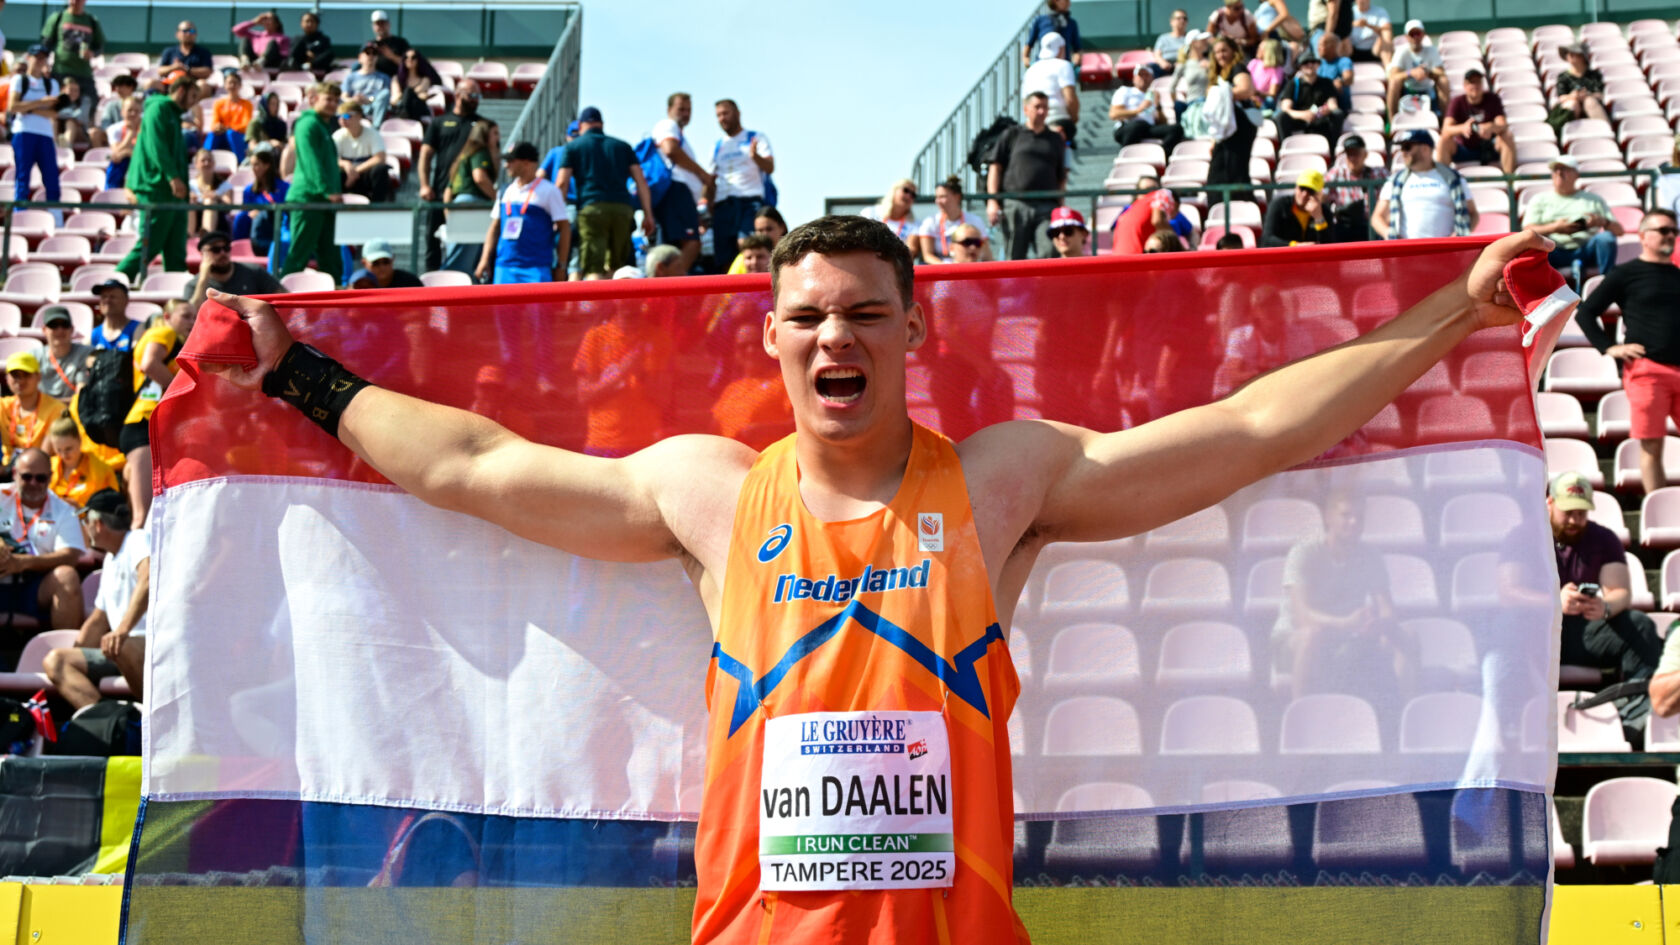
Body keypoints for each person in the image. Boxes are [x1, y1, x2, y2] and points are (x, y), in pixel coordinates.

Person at [204, 216, 1547, 945]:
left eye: (862, 310)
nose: (833, 334)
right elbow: (477, 466)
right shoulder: (712, 494)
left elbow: (1255, 431)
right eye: (807, 314)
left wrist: (1455, 312)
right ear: (772, 336)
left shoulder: (1004, 482)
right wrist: (294, 376)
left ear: (915, 328)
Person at [1545, 472, 1662, 732]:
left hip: (1586, 630)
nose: (1575, 520)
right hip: (1539, 634)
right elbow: (1509, 591)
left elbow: (1620, 591)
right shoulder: (1527, 535)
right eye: (1569, 512)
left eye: (1582, 513)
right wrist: (1553, 602)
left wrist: (1605, 607)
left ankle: (1637, 717)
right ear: (1550, 503)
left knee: (1640, 626)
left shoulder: (1603, 538)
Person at [1273, 493, 1413, 708]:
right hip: (1293, 639)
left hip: (1348, 637)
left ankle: (1404, 715)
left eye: (1359, 517)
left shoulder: (1370, 555)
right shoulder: (1304, 553)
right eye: (1346, 515)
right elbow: (1301, 616)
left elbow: (1388, 611)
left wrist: (1377, 624)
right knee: (1312, 635)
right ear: (1328, 518)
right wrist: (1346, 623)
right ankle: (1299, 714)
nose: (1354, 522)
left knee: (1408, 637)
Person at [1574, 210, 1680, 493]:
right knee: (1652, 445)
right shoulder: (1626, 274)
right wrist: (1608, 347)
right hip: (1648, 371)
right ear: (1643, 236)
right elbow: (1585, 312)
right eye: (1663, 230)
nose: (1670, 235)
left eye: (1674, 231)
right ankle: (1660, 506)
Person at [42, 490, 147, 707]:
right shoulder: (109, 559)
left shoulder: (138, 538)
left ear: (97, 523)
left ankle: (161, 720)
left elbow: (148, 577)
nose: (85, 528)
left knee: (123, 645)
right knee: (57, 661)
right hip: (120, 650)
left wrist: (121, 631)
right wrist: (77, 652)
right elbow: (99, 619)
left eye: (85, 520)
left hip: (150, 646)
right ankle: (108, 722)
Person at [554, 106, 656, 279]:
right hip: (622, 210)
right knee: (618, 268)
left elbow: (562, 183)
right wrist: (648, 215)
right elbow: (641, 182)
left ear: (581, 125)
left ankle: (596, 306)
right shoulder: (622, 146)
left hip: (592, 209)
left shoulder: (573, 147)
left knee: (593, 268)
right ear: (601, 124)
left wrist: (557, 216)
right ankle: (616, 305)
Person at [119, 299, 194, 529]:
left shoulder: (175, 342)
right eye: (185, 316)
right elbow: (149, 363)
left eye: (194, 317)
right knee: (142, 518)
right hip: (143, 425)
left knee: (151, 516)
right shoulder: (164, 332)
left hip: (152, 427)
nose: (191, 322)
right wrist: (180, 395)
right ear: (168, 316)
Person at [115, 72, 196, 283]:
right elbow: (156, 147)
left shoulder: (171, 113)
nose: (194, 101)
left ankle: (176, 297)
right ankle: (112, 286)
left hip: (173, 193)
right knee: (148, 246)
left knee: (176, 252)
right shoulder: (158, 108)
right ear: (181, 90)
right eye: (193, 95)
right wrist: (173, 177)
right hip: (157, 189)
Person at [0, 447, 84, 635]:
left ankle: (66, 658)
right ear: (14, 473)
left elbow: (71, 555)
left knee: (67, 576)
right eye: (26, 476)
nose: (33, 483)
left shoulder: (64, 510)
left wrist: (21, 563)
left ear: (51, 477)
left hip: (34, 586)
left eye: (40, 478)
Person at [476, 141, 572, 285]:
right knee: (502, 308)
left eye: (511, 160)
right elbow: (494, 227)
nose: (506, 165)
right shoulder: (505, 190)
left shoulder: (549, 191)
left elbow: (564, 228)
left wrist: (561, 265)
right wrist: (484, 259)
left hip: (536, 268)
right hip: (504, 267)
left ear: (527, 162)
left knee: (539, 308)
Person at [986, 92, 1065, 261]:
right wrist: (992, 201)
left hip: (1047, 204)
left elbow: (1062, 175)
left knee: (1050, 253)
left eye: (1045, 107)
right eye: (1037, 107)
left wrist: (1061, 204)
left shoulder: (1055, 139)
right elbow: (995, 168)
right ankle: (1013, 289)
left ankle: (1046, 288)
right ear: (1026, 109)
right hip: (1015, 203)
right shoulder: (1012, 134)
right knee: (1014, 257)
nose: (1042, 111)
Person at [1521, 155, 1622, 282]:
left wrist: (1602, 221)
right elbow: (1528, 230)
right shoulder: (1539, 199)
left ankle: (1607, 284)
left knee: (1606, 238)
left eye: (1564, 169)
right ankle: (1537, 292)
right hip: (1553, 250)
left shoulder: (1594, 199)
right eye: (1556, 170)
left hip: (1586, 249)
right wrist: (1555, 228)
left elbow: (1619, 231)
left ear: (1576, 174)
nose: (1559, 173)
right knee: (1533, 245)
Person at [279, 83, 343, 283]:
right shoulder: (308, 124)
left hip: (323, 200)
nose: (333, 104)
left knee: (331, 257)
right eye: (328, 99)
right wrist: (327, 190)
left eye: (336, 100)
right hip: (308, 199)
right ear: (314, 99)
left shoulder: (322, 126)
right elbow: (310, 161)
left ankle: (336, 302)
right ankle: (280, 299)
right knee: (299, 254)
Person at [418, 78, 482, 270]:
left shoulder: (482, 124)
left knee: (468, 243)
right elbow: (425, 155)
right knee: (432, 243)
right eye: (471, 95)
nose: (475, 100)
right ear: (457, 95)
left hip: (470, 195)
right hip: (439, 193)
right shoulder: (439, 122)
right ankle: (430, 288)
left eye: (478, 96)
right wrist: (424, 185)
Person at [706, 99, 775, 271]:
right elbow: (710, 179)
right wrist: (705, 204)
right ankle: (731, 296)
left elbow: (770, 167)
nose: (722, 118)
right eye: (718, 115)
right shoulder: (717, 145)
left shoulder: (755, 137)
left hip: (748, 201)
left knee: (747, 246)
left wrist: (755, 157)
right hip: (723, 204)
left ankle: (754, 291)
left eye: (726, 113)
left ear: (737, 113)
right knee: (724, 255)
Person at [1371, 128, 1476, 239]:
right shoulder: (1394, 181)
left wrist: (1460, 235)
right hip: (1408, 252)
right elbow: (1377, 217)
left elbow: (1473, 214)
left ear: (1425, 149)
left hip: (1445, 251)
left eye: (1407, 147)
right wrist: (1389, 234)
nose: (1402, 152)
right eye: (1402, 148)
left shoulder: (1454, 179)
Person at [651, 92, 712, 275]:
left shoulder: (677, 132)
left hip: (678, 196)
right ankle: (670, 289)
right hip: (676, 193)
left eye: (688, 110)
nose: (685, 113)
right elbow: (670, 149)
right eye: (681, 109)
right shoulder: (667, 125)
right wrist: (703, 174)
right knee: (692, 243)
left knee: (671, 249)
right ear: (669, 109)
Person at [7, 46, 63, 213]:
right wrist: (41, 102)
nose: (40, 60)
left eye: (43, 57)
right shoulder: (19, 80)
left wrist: (29, 109)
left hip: (44, 134)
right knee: (23, 177)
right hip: (23, 132)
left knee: (51, 178)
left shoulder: (51, 83)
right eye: (37, 56)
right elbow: (13, 106)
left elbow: (54, 112)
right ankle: (20, 215)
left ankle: (55, 216)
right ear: (29, 58)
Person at [1205, 37, 1260, 204]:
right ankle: (1219, 212)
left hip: (1240, 126)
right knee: (1218, 173)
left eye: (1224, 50)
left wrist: (1219, 94)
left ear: (1233, 52)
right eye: (1216, 52)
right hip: (1225, 131)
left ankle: (1244, 211)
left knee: (1236, 172)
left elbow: (1246, 89)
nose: (1220, 55)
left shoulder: (1237, 68)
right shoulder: (1218, 75)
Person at [440, 119, 498, 274]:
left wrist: (449, 214)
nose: (498, 138)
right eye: (495, 133)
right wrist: (497, 198)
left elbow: (448, 191)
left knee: (457, 254)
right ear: (485, 134)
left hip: (457, 206)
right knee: (462, 260)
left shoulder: (463, 155)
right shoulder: (480, 152)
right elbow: (479, 177)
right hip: (472, 206)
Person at [1439, 69, 1515, 176]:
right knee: (1444, 140)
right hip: (1464, 148)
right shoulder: (1457, 102)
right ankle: (1444, 181)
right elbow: (1446, 129)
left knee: (1507, 136)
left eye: (1478, 82)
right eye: (1471, 82)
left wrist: (1490, 127)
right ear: (1465, 86)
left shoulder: (1493, 99)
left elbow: (1502, 124)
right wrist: (1463, 128)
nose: (1475, 85)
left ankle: (1509, 179)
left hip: (1488, 147)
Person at [184, 230, 284, 311]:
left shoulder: (253, 271)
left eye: (226, 248)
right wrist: (203, 279)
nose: (223, 253)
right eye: (215, 250)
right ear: (202, 254)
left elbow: (282, 297)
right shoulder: (194, 285)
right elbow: (191, 315)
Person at [1, 352, 68, 465]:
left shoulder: (56, 409)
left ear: (38, 377)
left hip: (39, 474)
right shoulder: (3, 406)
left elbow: (44, 456)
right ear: (7, 378)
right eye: (15, 375)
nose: (21, 380)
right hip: (7, 469)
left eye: (26, 374)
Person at [1323, 134, 1385, 241]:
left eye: (1356, 154)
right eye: (1349, 154)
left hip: (1372, 227)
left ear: (1365, 155)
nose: (1352, 158)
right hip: (1345, 228)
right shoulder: (1337, 172)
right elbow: (1321, 195)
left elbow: (1395, 190)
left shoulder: (1378, 172)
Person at [1110, 63, 1184, 152]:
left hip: (1148, 128)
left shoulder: (1153, 95)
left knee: (1176, 129)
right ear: (1134, 78)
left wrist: (1158, 107)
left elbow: (1162, 122)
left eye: (1147, 75)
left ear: (1152, 78)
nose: (1144, 78)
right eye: (1140, 75)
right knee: (1137, 126)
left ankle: (1162, 155)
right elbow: (1114, 114)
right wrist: (1138, 111)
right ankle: (1129, 156)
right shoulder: (1124, 91)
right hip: (1128, 127)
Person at [46, 417, 115, 509]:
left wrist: (80, 510)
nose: (63, 454)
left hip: (87, 521)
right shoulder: (48, 467)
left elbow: (112, 506)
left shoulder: (101, 470)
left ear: (79, 439)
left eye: (68, 449)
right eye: (58, 450)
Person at [1021, 32, 1079, 142]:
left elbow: (1025, 102)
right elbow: (1070, 98)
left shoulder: (1030, 70)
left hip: (1035, 125)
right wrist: (1074, 118)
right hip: (1059, 121)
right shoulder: (1064, 65)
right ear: (1061, 48)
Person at [917, 177, 988, 265]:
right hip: (940, 272)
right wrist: (948, 271)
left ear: (957, 197)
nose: (938, 201)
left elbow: (986, 255)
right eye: (937, 197)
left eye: (942, 197)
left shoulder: (976, 221)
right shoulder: (930, 222)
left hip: (968, 269)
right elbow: (927, 255)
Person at [40, 0, 102, 101]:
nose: (76, 1)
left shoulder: (92, 21)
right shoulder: (58, 17)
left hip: (84, 74)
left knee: (90, 104)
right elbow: (46, 44)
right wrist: (44, 64)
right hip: (60, 71)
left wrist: (92, 53)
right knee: (58, 106)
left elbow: (100, 46)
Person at [232, 147, 288, 256]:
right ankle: (239, 249)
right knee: (241, 218)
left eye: (256, 164)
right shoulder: (249, 190)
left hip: (275, 224)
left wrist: (263, 213)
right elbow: (246, 210)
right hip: (255, 226)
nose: (253, 168)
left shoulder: (284, 187)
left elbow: (285, 210)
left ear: (267, 166)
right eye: (252, 165)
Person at [28, 308, 92, 403]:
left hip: (70, 413)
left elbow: (81, 398)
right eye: (53, 325)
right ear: (44, 330)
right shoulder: (33, 356)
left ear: (72, 329)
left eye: (64, 325)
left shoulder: (85, 354)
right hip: (39, 413)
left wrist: (50, 406)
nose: (60, 330)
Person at [1275, 52, 1342, 139]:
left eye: (1313, 62)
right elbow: (1285, 108)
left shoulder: (1327, 82)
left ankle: (1333, 148)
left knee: (1338, 114)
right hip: (1299, 119)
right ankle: (1285, 146)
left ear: (1318, 65)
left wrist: (1326, 110)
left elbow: (1333, 105)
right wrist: (1303, 115)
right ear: (1300, 66)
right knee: (1281, 117)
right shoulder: (1293, 84)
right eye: (1305, 63)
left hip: (1320, 119)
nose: (1310, 65)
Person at [334, 103, 391, 203]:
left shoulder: (372, 134)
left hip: (364, 176)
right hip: (344, 177)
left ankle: (377, 206)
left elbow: (380, 158)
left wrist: (355, 172)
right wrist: (345, 164)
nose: (342, 120)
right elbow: (331, 159)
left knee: (380, 170)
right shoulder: (337, 136)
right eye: (339, 116)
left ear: (359, 116)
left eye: (347, 116)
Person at [1387, 20, 1445, 117]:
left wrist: (1427, 72)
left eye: (1418, 33)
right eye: (1412, 34)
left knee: (1444, 81)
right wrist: (1411, 73)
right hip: (1407, 89)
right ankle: (1393, 121)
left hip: (1427, 88)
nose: (1415, 37)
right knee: (1393, 83)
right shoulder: (1401, 51)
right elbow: (1392, 75)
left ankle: (1445, 119)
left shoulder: (1432, 50)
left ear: (1423, 35)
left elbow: (1441, 73)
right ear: (1406, 37)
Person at [1262, 169, 1334, 246]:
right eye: (1302, 188)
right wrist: (1295, 246)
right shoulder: (1279, 205)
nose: (1304, 194)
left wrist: (1319, 218)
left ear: (1319, 195)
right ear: (1296, 188)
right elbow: (1267, 240)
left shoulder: (1324, 211)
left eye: (1310, 191)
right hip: (1284, 257)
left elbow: (1330, 245)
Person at [1112, 177, 1179, 255]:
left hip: (1118, 260)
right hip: (1137, 259)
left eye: (1153, 188)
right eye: (1146, 189)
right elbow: (1158, 221)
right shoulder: (1163, 193)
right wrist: (1178, 245)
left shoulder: (1131, 210)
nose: (1149, 192)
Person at [1553, 42, 1607, 125]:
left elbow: (1600, 94)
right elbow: (1561, 97)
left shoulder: (1594, 75)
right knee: (1572, 103)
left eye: (1574, 53)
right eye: (1568, 53)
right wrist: (1573, 96)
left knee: (1589, 101)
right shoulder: (1563, 76)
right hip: (1573, 108)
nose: (1570, 55)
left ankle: (1604, 129)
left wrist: (1587, 95)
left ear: (1582, 57)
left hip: (1592, 107)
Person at [204, 70, 252, 160]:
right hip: (223, 135)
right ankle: (205, 157)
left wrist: (228, 128)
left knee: (231, 133)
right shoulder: (219, 103)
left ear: (240, 86)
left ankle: (240, 161)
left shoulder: (247, 104)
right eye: (230, 83)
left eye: (235, 83)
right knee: (212, 134)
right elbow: (215, 122)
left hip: (238, 136)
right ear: (225, 85)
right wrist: (217, 127)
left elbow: (245, 126)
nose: (232, 85)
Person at [344, 44, 392, 131]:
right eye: (367, 53)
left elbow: (386, 98)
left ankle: (375, 129)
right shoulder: (350, 77)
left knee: (385, 93)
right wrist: (353, 100)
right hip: (355, 107)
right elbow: (344, 96)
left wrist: (369, 100)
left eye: (374, 53)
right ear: (360, 57)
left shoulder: (385, 77)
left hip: (374, 107)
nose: (371, 56)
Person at [861, 179, 921, 247]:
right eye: (906, 190)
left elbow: (911, 250)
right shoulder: (870, 213)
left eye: (913, 195)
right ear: (894, 190)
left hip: (897, 257)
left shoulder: (915, 224)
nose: (909, 196)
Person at [186, 147, 231, 237]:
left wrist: (217, 197)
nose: (207, 163)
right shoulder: (190, 185)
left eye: (209, 160)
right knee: (190, 203)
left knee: (209, 202)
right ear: (196, 164)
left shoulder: (224, 185)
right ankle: (189, 238)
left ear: (214, 163)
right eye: (203, 160)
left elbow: (229, 206)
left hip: (218, 223)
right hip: (195, 221)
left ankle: (207, 238)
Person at [1023, 0, 1081, 67]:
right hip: (1042, 65)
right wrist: (1025, 58)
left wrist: (1076, 61)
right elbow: (1029, 44)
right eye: (1066, 0)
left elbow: (1077, 49)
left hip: (1063, 66)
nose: (1069, 3)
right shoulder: (1040, 20)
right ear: (1055, 1)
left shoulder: (1072, 23)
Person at [391, 47, 443, 123]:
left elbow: (417, 93)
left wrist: (403, 95)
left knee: (410, 94)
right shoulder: (396, 78)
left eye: (413, 57)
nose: (409, 60)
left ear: (418, 60)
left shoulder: (425, 79)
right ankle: (404, 113)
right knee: (408, 95)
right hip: (401, 106)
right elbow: (394, 99)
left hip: (418, 108)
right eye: (406, 57)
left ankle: (404, 113)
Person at [347, 239, 424, 289]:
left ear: (393, 259)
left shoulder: (411, 283)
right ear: (364, 262)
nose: (382, 267)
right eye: (375, 262)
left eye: (386, 261)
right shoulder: (358, 284)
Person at [90, 279, 139, 352]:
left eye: (113, 297)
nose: (107, 300)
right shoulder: (94, 334)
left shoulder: (137, 328)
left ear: (126, 300)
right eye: (104, 296)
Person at [159, 20, 212, 86]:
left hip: (194, 86)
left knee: (203, 84)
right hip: (170, 84)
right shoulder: (169, 51)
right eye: (185, 31)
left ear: (196, 34)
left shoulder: (204, 52)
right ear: (177, 34)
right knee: (151, 83)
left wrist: (187, 69)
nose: (189, 34)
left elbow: (207, 71)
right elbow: (160, 71)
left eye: (192, 31)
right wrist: (174, 67)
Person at [1146, 9, 1190, 78]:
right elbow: (1157, 54)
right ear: (1171, 22)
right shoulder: (1163, 38)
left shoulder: (1190, 38)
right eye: (1179, 18)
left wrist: (1182, 63)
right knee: (1149, 68)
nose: (1182, 21)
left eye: (1185, 19)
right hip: (1165, 67)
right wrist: (1162, 63)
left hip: (1184, 67)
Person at [1348, 0, 1393, 64]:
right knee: (1342, 36)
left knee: (1386, 33)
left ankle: (1388, 66)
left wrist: (1368, 25)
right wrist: (1354, 24)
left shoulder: (1380, 11)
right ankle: (1340, 66)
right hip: (1352, 50)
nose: (1361, 1)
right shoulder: (1349, 11)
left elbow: (1387, 28)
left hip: (1375, 50)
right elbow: (1341, 27)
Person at [368, 10, 410, 77]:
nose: (380, 27)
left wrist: (392, 56)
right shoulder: (369, 45)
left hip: (396, 79)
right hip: (375, 80)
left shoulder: (400, 42)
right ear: (373, 26)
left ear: (388, 24)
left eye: (382, 23)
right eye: (377, 24)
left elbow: (410, 65)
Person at [1247, 38, 1287, 105]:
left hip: (1262, 103)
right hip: (1247, 97)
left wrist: (1257, 93)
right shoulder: (1254, 63)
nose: (1258, 50)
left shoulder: (1277, 70)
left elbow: (1272, 94)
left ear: (1269, 52)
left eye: (1260, 48)